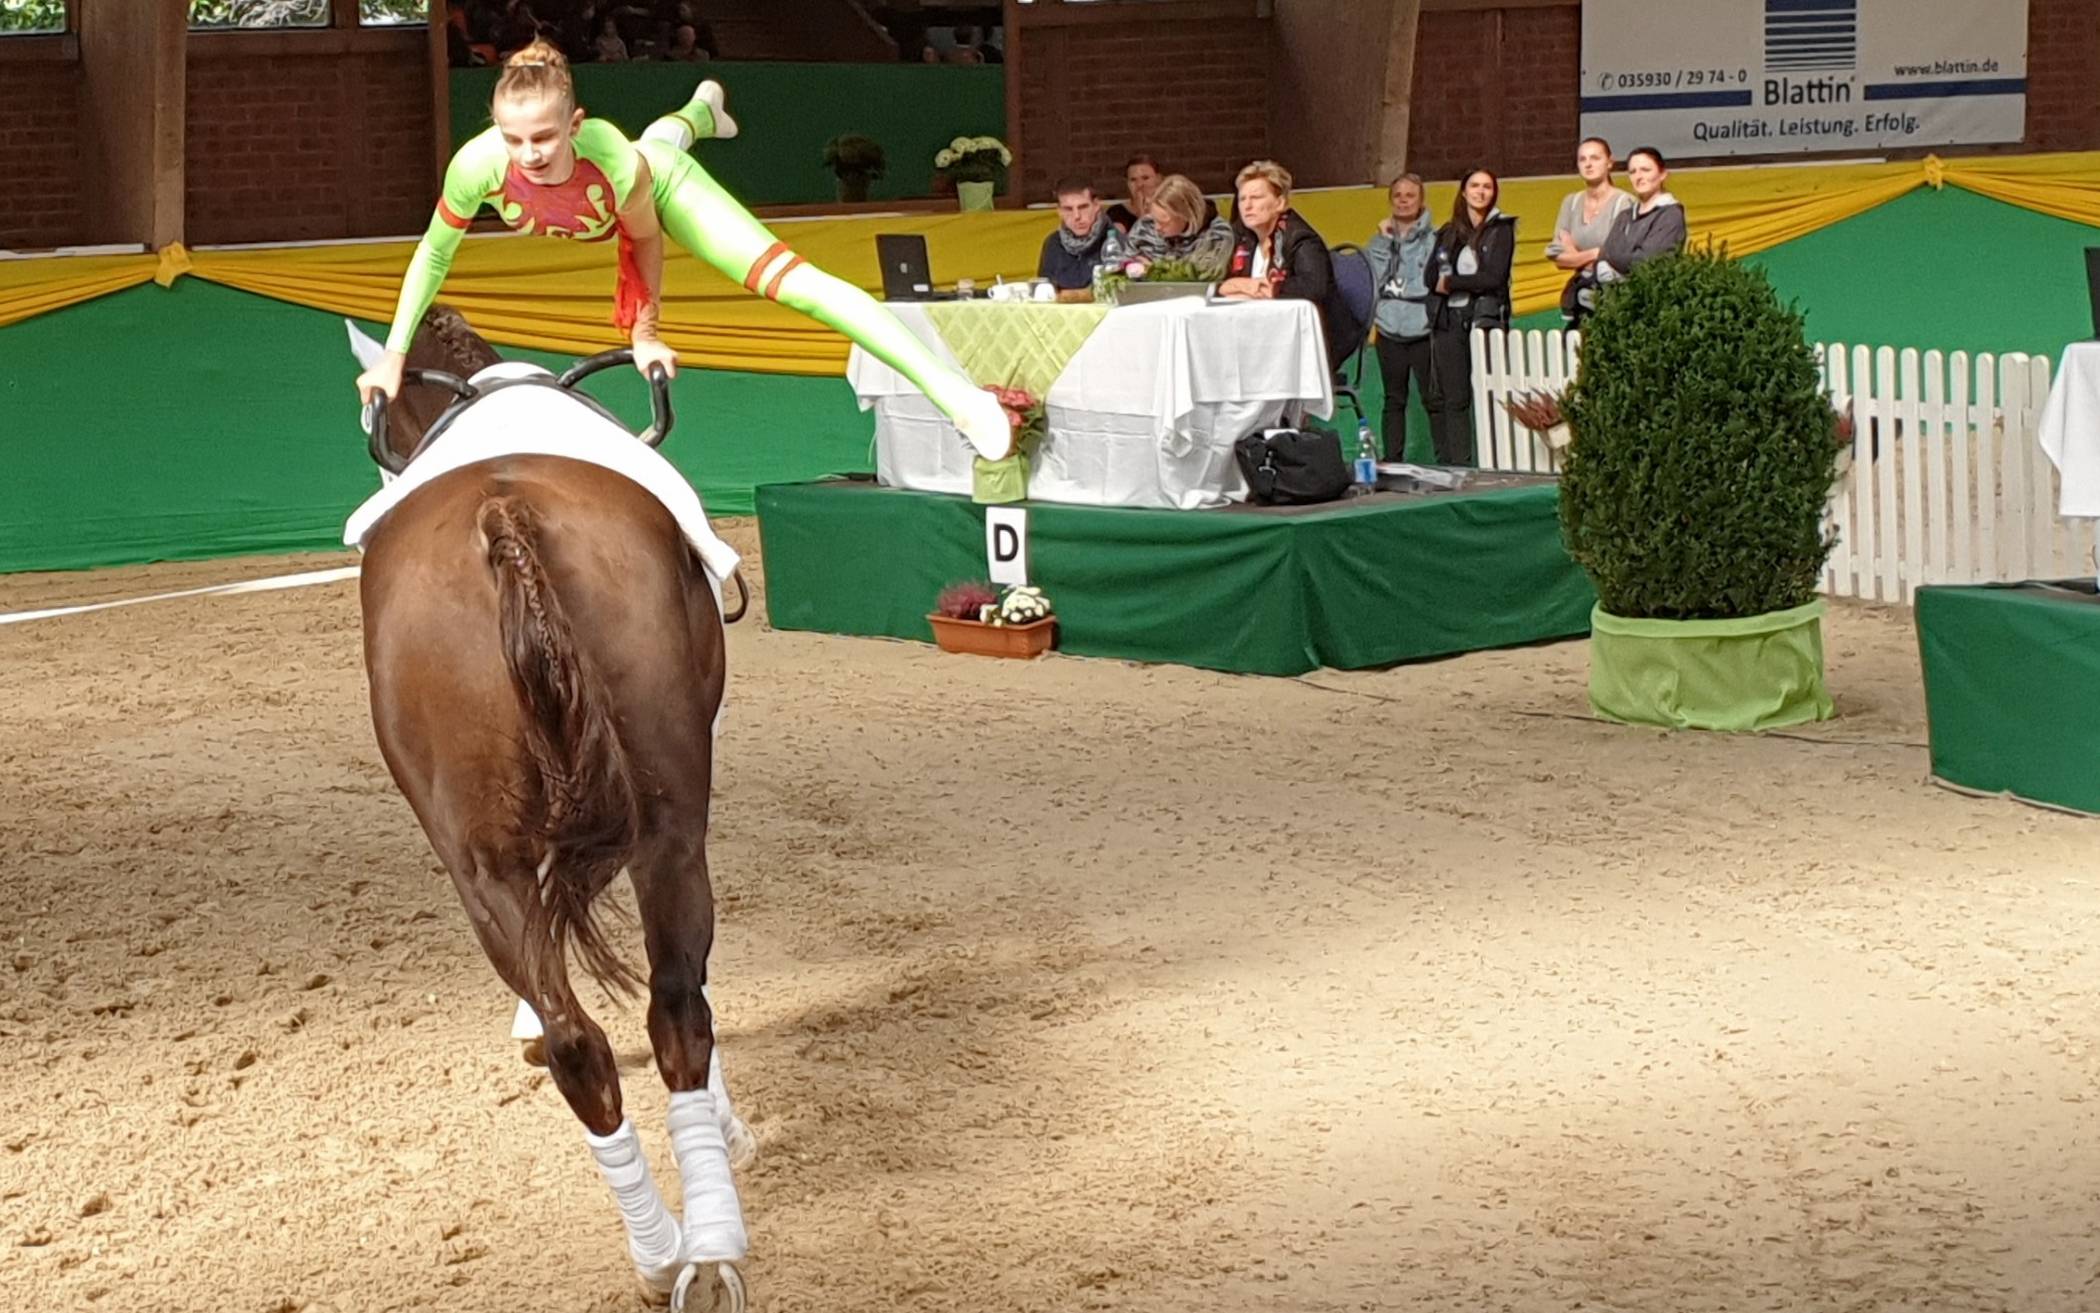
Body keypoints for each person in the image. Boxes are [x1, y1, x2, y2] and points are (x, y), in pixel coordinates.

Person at [354, 42, 1012, 461]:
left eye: (545, 139)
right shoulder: (477, 167)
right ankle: (701, 108)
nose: (529, 155)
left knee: (796, 282)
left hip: (660, 193)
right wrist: (393, 357)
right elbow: (432, 257)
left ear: (574, 127)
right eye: (515, 139)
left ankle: (958, 396)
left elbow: (642, 238)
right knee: (662, 137)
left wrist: (646, 332)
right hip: (634, 173)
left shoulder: (607, 155)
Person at [1425, 168, 1516, 465]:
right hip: (1449, 322)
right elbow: (1429, 277)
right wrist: (1448, 283)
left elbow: (1493, 278)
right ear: (1463, 191)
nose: (1480, 192)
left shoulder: (1502, 229)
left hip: (1484, 319)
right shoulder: (1447, 232)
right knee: (1455, 399)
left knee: (1490, 395)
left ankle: (1494, 462)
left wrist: (1451, 283)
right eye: (1474, 186)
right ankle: (1460, 464)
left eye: (1487, 187)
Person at [1217, 160, 1348, 368]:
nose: (1247, 206)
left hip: (1306, 342)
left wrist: (1268, 288)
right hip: (1256, 335)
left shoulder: (1301, 238)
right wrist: (1245, 285)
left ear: (1280, 202)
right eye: (1242, 199)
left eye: (1256, 197)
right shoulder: (1243, 238)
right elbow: (1219, 283)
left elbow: (1315, 287)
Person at [1365, 173, 1436, 462]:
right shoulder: (1377, 240)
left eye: (1411, 195)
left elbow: (1432, 279)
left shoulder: (1435, 239)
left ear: (1421, 200)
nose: (1404, 201)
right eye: (1398, 195)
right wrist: (1384, 243)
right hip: (1389, 328)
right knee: (1394, 399)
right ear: (1390, 200)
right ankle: (1392, 460)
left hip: (1423, 327)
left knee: (1433, 399)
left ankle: (1443, 458)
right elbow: (1373, 279)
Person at [1545, 137, 1634, 329]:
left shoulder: (1624, 203)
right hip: (1580, 296)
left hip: (1614, 297)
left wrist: (1575, 254)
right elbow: (1558, 258)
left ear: (1609, 162)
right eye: (1582, 159)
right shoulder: (1571, 203)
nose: (1588, 164)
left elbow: (1617, 255)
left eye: (1595, 158)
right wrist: (1595, 253)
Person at [1595, 147, 1687, 288]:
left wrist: (1611, 259)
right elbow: (1604, 254)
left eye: (1645, 170)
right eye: (1633, 172)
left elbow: (1647, 262)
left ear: (1663, 174)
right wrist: (1612, 257)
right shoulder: (1624, 216)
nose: (1639, 176)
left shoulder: (1671, 215)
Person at [1122, 173, 1234, 280]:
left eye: (1163, 222)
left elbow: (1204, 275)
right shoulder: (1145, 226)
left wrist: (1153, 271)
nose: (1156, 227)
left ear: (1185, 215)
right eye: (1154, 219)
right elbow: (1123, 265)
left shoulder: (1217, 233)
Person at [1035, 178, 1128, 293]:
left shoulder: (1115, 242)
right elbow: (1043, 291)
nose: (1077, 216)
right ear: (1059, 211)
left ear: (1096, 205)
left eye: (1083, 207)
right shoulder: (1052, 243)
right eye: (1068, 209)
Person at [1104, 154, 1161, 231]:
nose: (1139, 184)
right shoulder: (1116, 213)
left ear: (1158, 179)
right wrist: (1140, 211)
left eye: (1145, 178)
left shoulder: (1170, 211)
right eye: (1133, 180)